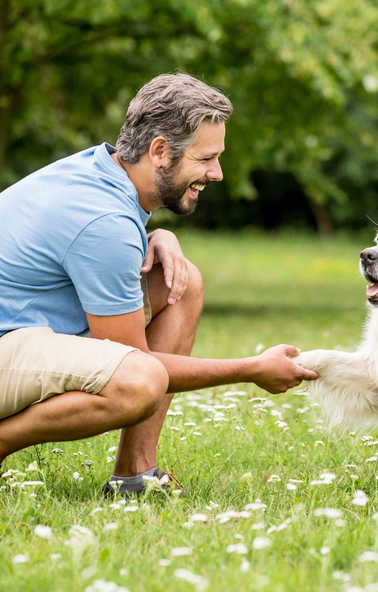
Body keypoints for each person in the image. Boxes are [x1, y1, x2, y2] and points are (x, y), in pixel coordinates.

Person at [0, 73, 318, 494]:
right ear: (160, 152)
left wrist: (157, 237)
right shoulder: (104, 222)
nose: (217, 172)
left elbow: (82, 250)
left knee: (181, 283)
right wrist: (251, 368)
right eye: (206, 158)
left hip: (18, 330)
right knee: (140, 380)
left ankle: (134, 474)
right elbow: (132, 358)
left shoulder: (99, 170)